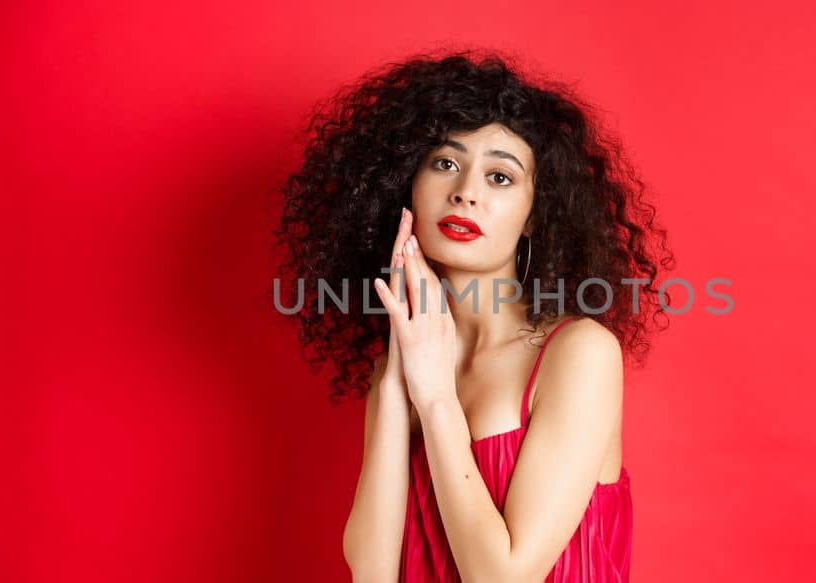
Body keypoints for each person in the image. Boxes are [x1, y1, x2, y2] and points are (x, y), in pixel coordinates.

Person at [274, 49, 673, 582]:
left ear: (536, 216)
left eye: (501, 178)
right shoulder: (399, 366)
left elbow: (503, 576)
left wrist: (436, 399)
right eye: (445, 164)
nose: (465, 192)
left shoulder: (579, 353)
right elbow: (372, 572)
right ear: (407, 187)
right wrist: (398, 379)